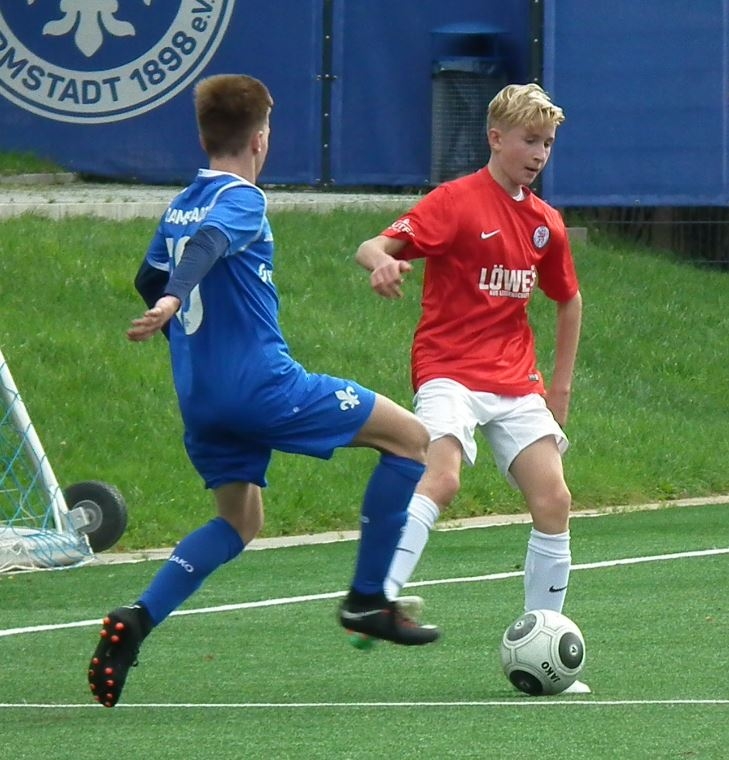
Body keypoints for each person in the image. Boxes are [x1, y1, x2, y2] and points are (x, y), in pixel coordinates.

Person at [87, 73, 439, 709]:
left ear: (203, 136)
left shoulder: (181, 202)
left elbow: (149, 274)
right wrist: (175, 298)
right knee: (411, 440)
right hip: (261, 387)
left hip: (201, 397)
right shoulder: (242, 199)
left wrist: (171, 308)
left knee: (240, 519)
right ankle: (367, 600)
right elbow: (208, 245)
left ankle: (137, 619)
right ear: (260, 140)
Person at [352, 83, 586, 689]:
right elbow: (373, 244)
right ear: (496, 138)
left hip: (515, 379)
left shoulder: (546, 224)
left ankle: (544, 638)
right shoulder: (454, 202)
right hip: (449, 368)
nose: (540, 154)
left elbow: (568, 299)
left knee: (554, 500)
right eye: (530, 141)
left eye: (548, 143)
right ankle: (379, 600)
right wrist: (382, 262)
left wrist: (559, 389)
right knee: (443, 476)